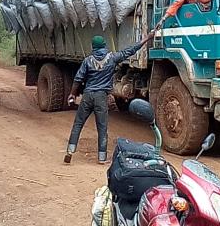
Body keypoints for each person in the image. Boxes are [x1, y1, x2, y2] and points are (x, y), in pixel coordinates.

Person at [64, 31, 156, 164]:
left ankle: (70, 151)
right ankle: (102, 158)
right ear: (104, 45)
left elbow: (78, 79)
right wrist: (147, 38)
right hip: (101, 97)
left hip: (87, 95)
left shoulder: (87, 61)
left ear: (93, 47)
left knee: (78, 124)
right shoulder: (112, 58)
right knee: (102, 127)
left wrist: (72, 93)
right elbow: (130, 51)